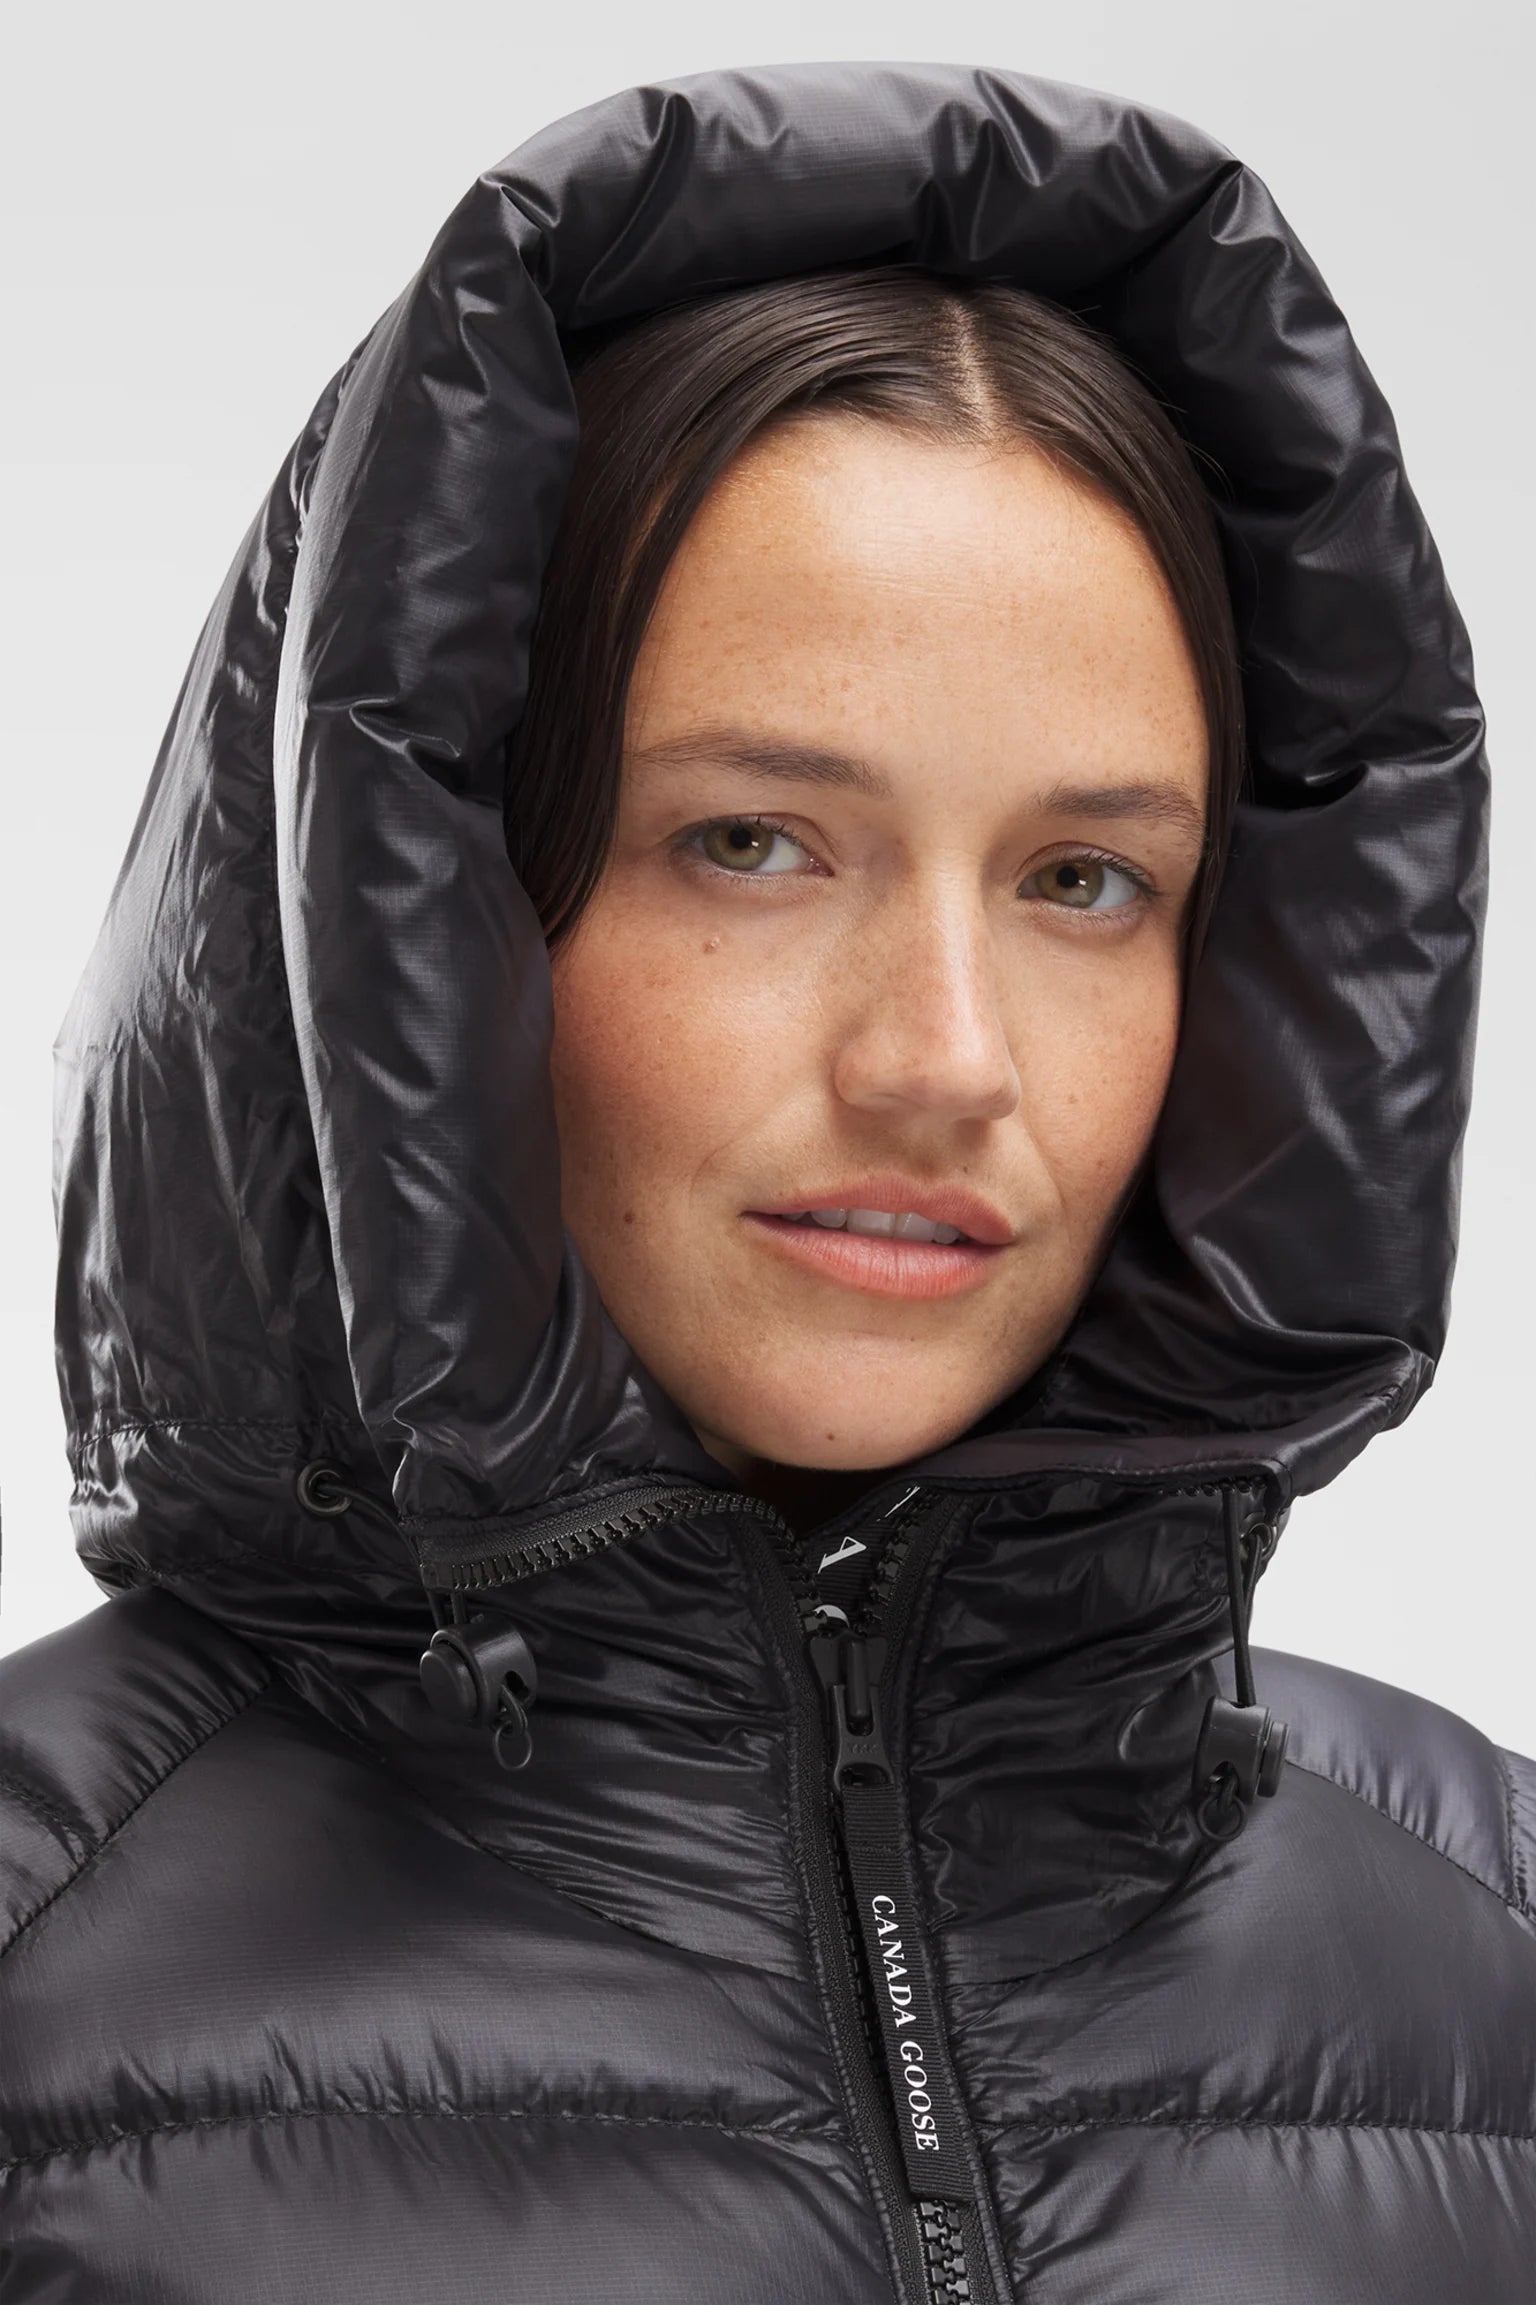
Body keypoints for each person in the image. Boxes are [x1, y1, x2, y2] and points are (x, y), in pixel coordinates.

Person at [1, 58, 1531, 2305]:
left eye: (1086, 878)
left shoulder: (1499, 1929)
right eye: (752, 842)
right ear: (425, 921)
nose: (946, 1059)